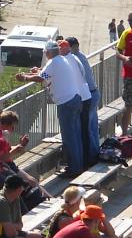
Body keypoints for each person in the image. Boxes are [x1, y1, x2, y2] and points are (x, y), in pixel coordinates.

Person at [17, 41, 91, 177]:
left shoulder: (53, 62)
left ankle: (74, 169)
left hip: (66, 102)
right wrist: (36, 72)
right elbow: (47, 74)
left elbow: (41, 78)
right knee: (75, 134)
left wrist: (25, 78)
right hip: (75, 99)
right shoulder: (62, 60)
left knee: (69, 137)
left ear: (48, 52)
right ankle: (79, 166)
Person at [66, 38, 101, 161]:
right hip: (93, 93)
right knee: (92, 127)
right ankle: (95, 153)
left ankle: (91, 157)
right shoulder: (80, 56)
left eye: (66, 47)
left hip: (88, 96)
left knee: (87, 129)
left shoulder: (74, 59)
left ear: (72, 47)